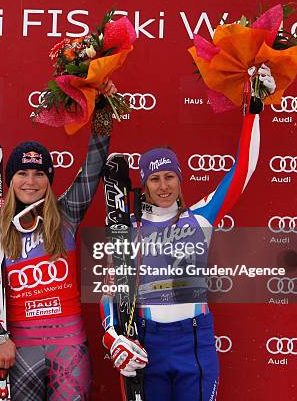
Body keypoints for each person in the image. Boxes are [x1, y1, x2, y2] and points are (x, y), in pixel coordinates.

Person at [99, 66, 276, 400]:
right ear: (144, 185)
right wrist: (113, 337)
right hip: (147, 340)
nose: (163, 186)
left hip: (195, 340)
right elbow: (110, 290)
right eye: (154, 179)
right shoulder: (128, 232)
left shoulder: (200, 218)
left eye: (170, 177)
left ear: (180, 179)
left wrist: (254, 109)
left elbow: (243, 170)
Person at [0, 80, 117, 400]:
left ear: (49, 179)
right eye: (22, 173)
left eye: (39, 174)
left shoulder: (66, 214)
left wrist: (102, 105)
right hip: (20, 350)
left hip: (69, 350)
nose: (30, 182)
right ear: (9, 180)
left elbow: (94, 161)